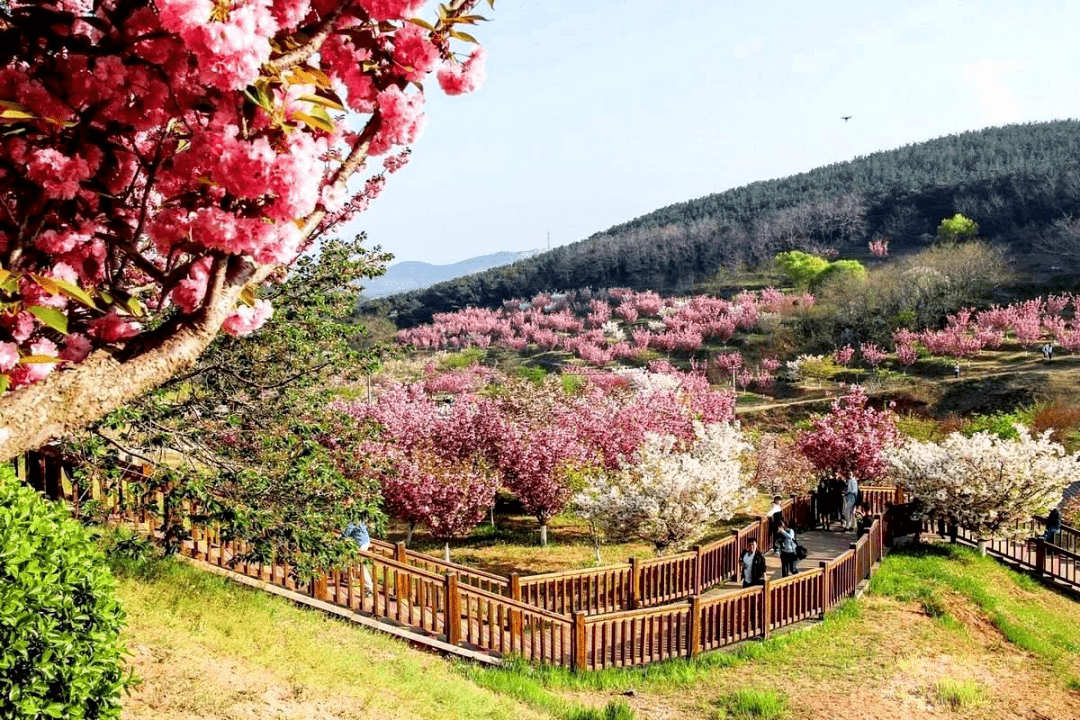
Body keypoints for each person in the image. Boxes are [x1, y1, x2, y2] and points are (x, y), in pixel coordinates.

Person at [342, 498, 374, 597]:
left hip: (362, 543)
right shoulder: (354, 514)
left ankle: (369, 589)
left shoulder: (353, 517)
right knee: (346, 558)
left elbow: (348, 530)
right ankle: (347, 578)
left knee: (360, 565)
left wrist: (340, 539)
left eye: (344, 505)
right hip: (358, 541)